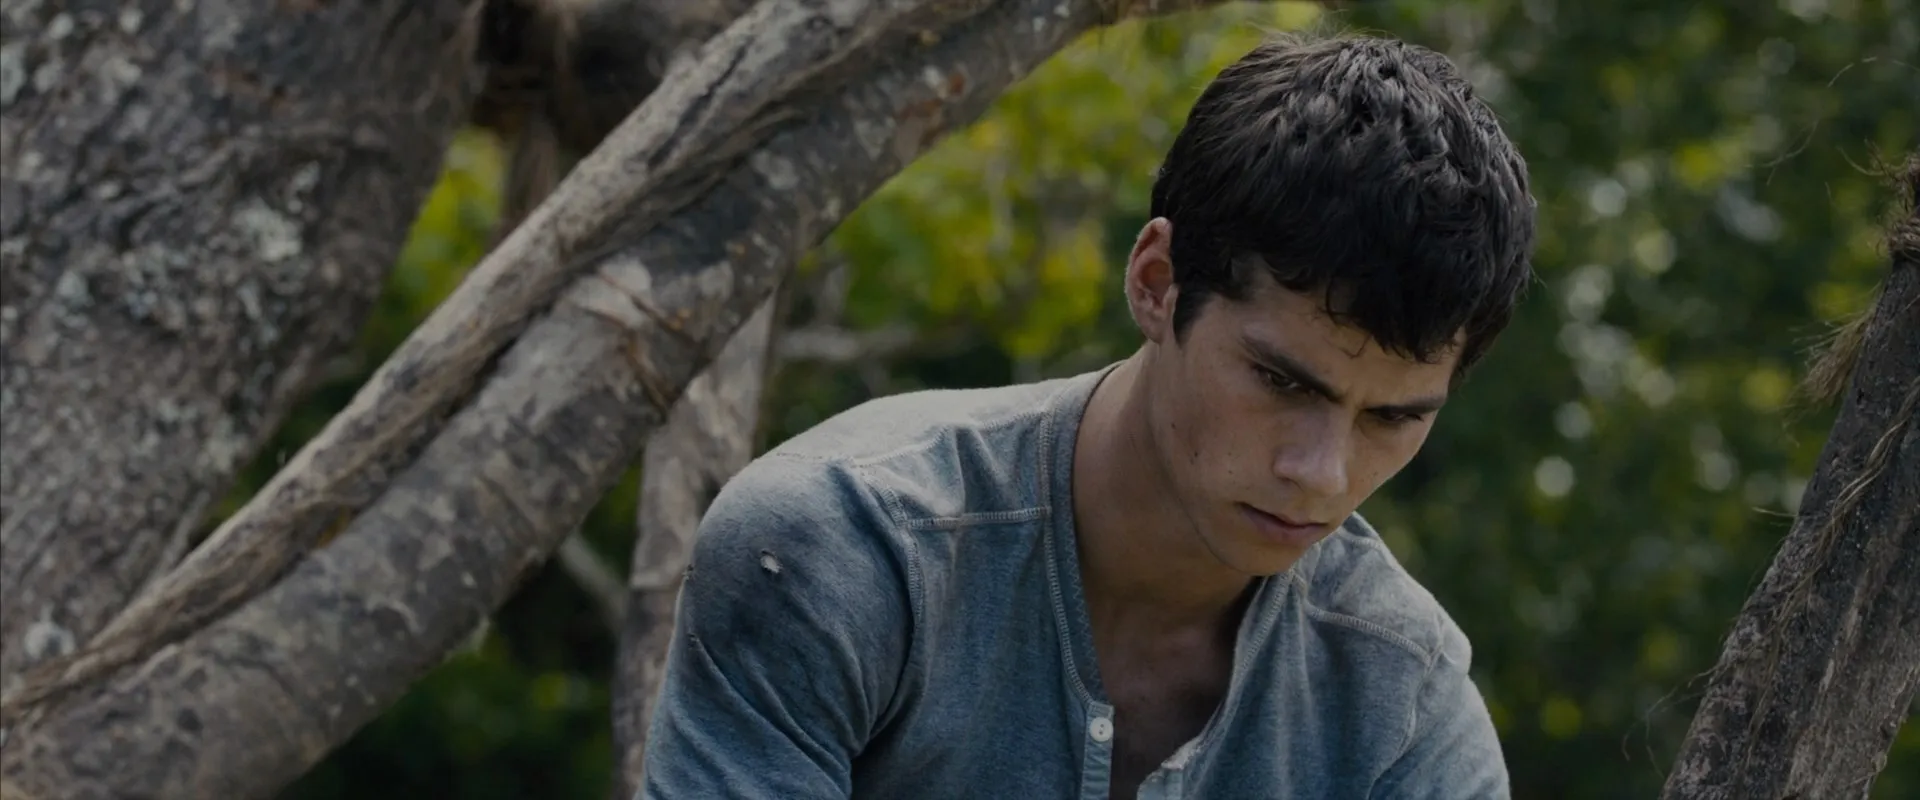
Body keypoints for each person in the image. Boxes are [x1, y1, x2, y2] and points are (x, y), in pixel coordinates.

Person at [638, 30, 1535, 800]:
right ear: (1156, 282)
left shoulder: (1403, 707)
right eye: (1282, 383)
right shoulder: (843, 550)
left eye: (1391, 419)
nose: (1322, 474)